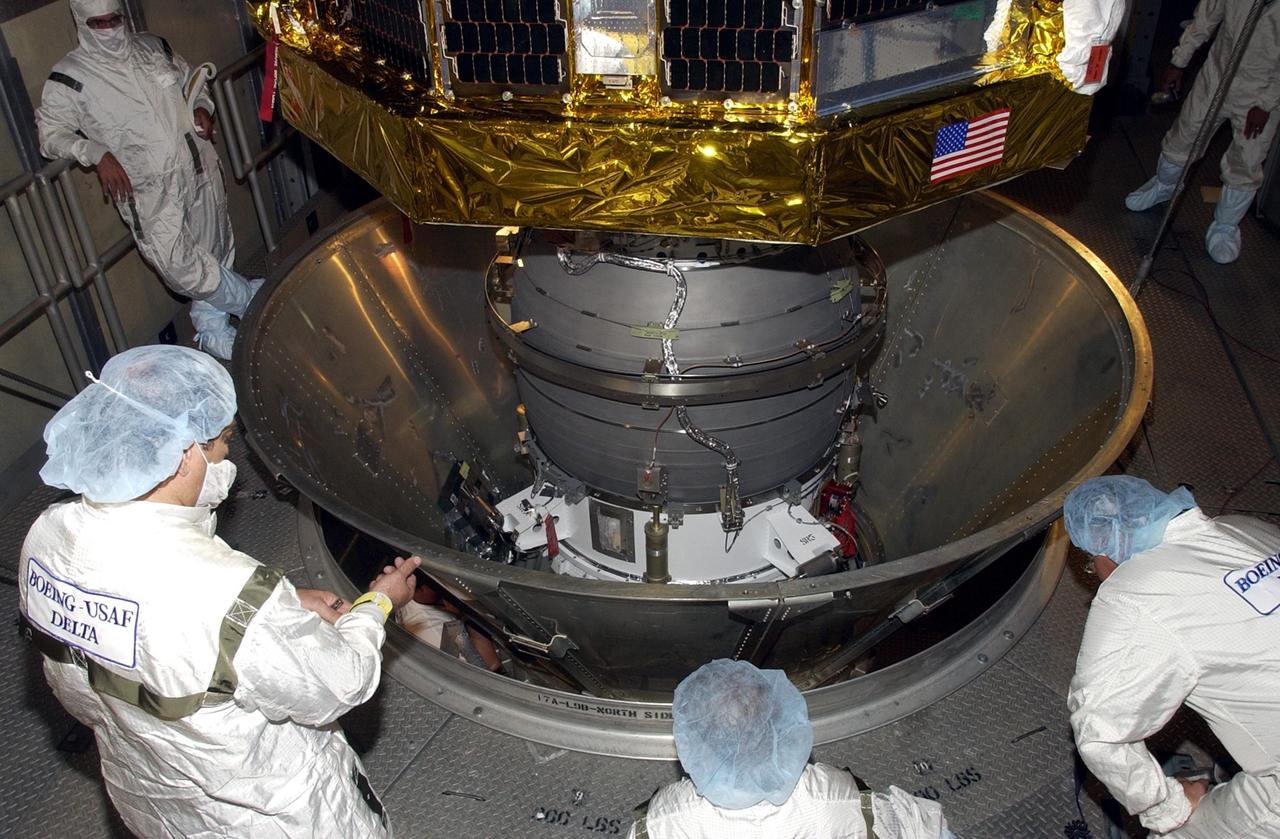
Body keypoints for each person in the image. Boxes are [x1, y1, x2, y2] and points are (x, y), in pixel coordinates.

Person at [18, 344, 420, 837]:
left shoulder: (46, 536)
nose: (229, 455)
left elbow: (86, 683)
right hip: (269, 816)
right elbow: (340, 683)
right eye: (223, 440)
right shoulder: (223, 592)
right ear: (184, 454)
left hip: (150, 796)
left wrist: (281, 604)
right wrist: (378, 603)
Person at [36, 0, 262, 359]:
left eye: (114, 19)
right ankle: (250, 299)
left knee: (214, 248)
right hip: (147, 186)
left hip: (197, 164)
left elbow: (191, 82)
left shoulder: (153, 47)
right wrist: (95, 153)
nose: (109, 29)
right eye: (98, 23)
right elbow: (50, 135)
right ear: (81, 22)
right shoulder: (70, 77)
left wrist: (203, 106)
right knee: (179, 266)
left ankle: (212, 328)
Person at [1064, 475, 1280, 837]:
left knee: (1179, 831)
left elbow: (1099, 732)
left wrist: (1169, 807)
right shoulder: (1244, 529)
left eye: (1090, 563)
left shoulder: (1133, 597)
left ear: (1103, 553)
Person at [628, 659, 955, 839]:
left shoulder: (661, 824)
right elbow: (926, 829)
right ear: (778, 720)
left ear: (692, 742)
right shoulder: (839, 798)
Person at [1123, 0, 1280, 264]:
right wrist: (1178, 62)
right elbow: (1205, 19)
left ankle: (1225, 227)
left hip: (1262, 92)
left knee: (1246, 161)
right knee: (1183, 137)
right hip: (1216, 78)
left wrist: (1266, 103)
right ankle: (1164, 185)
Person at [398, 571, 503, 671]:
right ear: (419, 590)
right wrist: (466, 614)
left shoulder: (409, 595)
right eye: (435, 585)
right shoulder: (434, 630)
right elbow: (489, 664)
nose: (442, 587)